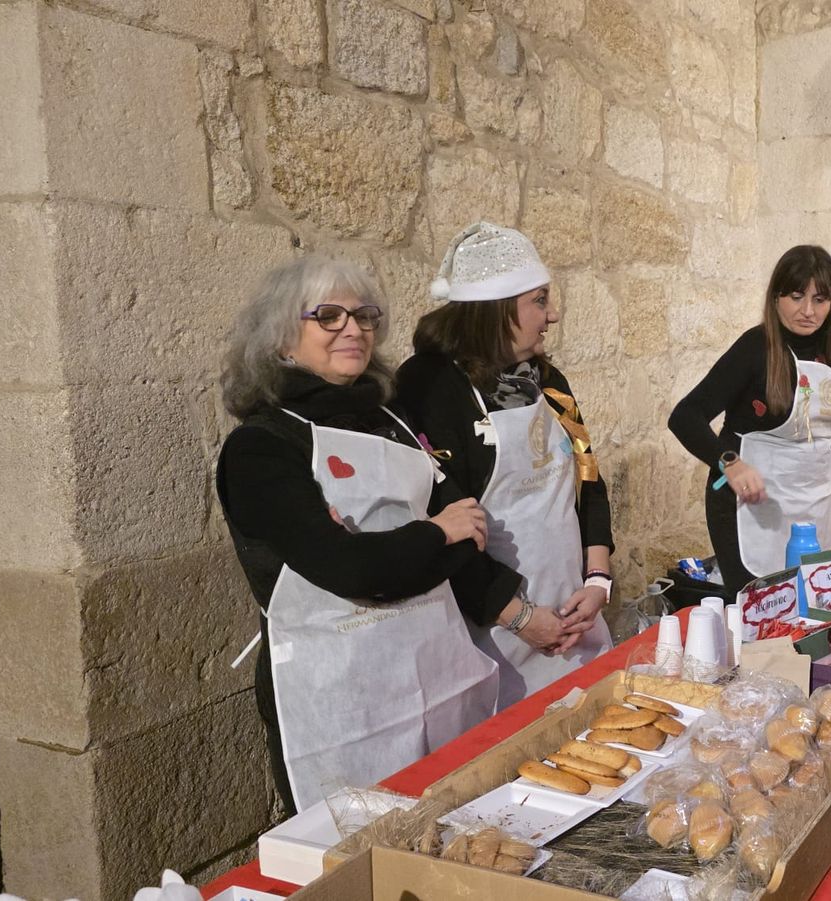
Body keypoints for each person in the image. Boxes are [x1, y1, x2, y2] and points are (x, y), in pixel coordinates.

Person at [217, 256, 499, 813]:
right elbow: (348, 570)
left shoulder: (388, 419)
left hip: (429, 667)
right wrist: (433, 538)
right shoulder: (263, 446)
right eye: (328, 316)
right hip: (337, 695)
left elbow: (469, 530)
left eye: (364, 315)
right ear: (281, 339)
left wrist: (421, 545)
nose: (353, 329)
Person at [396, 222, 612, 710]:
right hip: (489, 631)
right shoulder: (430, 387)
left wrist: (598, 580)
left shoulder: (547, 380)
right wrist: (518, 617)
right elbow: (441, 522)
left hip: (573, 616)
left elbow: (589, 477)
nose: (551, 314)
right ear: (496, 309)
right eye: (539, 300)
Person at [668, 245, 831, 592]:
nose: (808, 311)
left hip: (811, 504)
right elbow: (685, 416)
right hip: (750, 507)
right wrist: (729, 463)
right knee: (760, 609)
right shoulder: (755, 348)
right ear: (776, 297)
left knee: (809, 603)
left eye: (820, 300)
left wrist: (819, 466)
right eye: (796, 297)